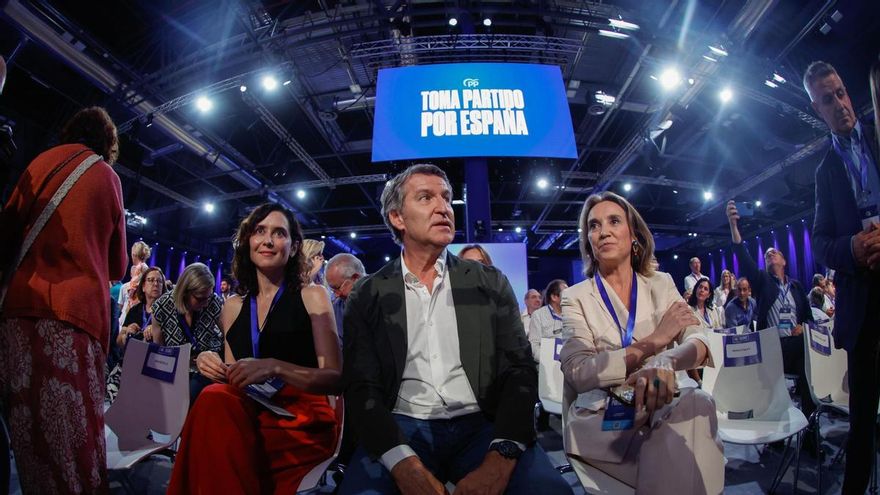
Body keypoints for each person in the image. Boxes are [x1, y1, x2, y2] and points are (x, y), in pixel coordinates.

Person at [339, 164, 571, 495]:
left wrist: (500, 459)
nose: (443, 207)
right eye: (425, 197)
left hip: (482, 425)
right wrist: (404, 465)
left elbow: (519, 372)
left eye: (447, 198)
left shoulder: (489, 282)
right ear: (397, 218)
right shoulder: (368, 293)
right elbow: (362, 388)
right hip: (401, 424)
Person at [168, 203, 341, 494]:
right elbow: (233, 381)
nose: (268, 240)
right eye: (260, 231)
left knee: (211, 416)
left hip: (298, 415)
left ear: (294, 246)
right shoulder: (233, 305)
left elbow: (335, 377)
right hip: (248, 410)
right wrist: (207, 361)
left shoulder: (313, 295)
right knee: (214, 397)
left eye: (279, 233)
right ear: (248, 240)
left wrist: (276, 367)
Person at [0, 106, 127, 493]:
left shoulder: (39, 164)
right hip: (73, 320)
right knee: (74, 442)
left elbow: (7, 231)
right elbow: (119, 266)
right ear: (107, 143)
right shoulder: (106, 176)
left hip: (19, 314)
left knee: (29, 437)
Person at [560, 191, 722, 493]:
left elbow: (699, 340)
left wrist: (665, 361)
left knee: (696, 403)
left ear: (633, 234)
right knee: (692, 446)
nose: (603, 231)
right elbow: (580, 372)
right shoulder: (576, 297)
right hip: (606, 414)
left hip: (664, 402)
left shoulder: (661, 283)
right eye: (594, 226)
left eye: (613, 221)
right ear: (589, 243)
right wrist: (656, 341)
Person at [807, 59, 880, 491]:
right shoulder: (824, 172)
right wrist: (853, 248)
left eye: (840, 93)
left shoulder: (878, 135)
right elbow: (820, 243)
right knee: (863, 424)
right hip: (863, 306)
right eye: (826, 100)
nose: (838, 104)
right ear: (817, 109)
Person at [725, 200, 816, 440]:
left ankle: (810, 432)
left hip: (794, 348)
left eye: (774, 252)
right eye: (766, 255)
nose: (769, 254)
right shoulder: (763, 281)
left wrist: (803, 327)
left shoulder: (796, 287)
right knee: (806, 354)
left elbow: (808, 318)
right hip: (772, 348)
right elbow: (742, 256)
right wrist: (734, 225)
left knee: (808, 373)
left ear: (784, 261)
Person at [151, 262, 224, 404]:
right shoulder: (162, 307)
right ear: (185, 292)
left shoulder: (213, 301)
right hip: (177, 369)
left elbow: (229, 336)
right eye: (200, 298)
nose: (206, 303)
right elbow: (159, 352)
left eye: (208, 297)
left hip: (207, 368)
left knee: (192, 395)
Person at [105, 266, 166, 403]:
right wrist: (126, 332)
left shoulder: (167, 312)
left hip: (153, 364)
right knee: (112, 384)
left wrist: (156, 329)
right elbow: (119, 341)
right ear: (143, 287)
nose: (155, 284)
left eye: (159, 281)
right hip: (129, 362)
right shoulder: (135, 310)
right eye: (150, 280)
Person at [325, 252, 366, 341]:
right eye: (332, 290)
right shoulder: (337, 307)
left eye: (338, 288)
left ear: (355, 278)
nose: (336, 295)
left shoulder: (382, 299)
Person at [528, 279, 568, 362]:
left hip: (571, 363)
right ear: (554, 297)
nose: (569, 296)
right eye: (566, 293)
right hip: (548, 366)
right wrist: (549, 361)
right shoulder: (538, 315)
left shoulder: (572, 314)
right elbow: (534, 347)